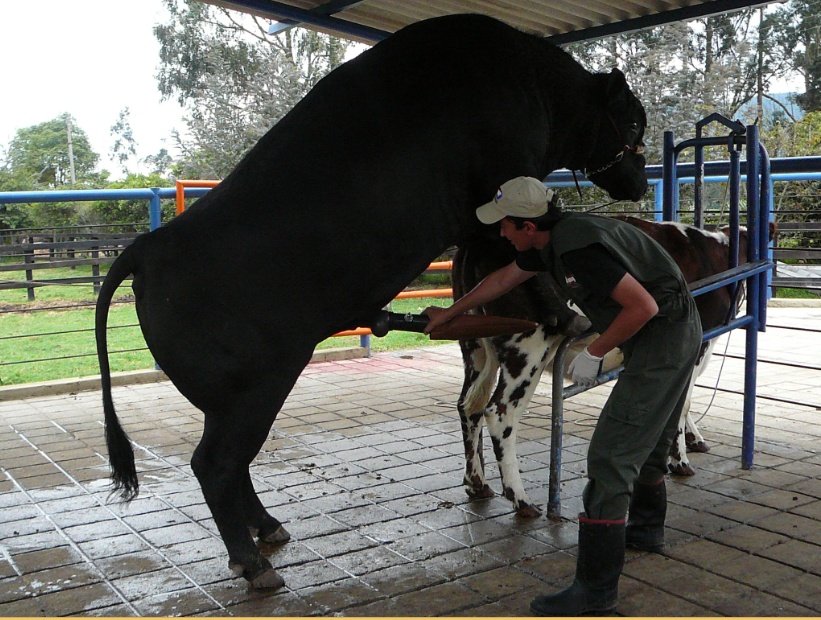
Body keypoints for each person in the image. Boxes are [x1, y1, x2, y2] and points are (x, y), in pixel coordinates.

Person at [424, 176, 702, 617]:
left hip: (663, 338)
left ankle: (594, 592)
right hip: (666, 333)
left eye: (506, 226)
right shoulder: (553, 240)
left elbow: (643, 307)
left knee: (610, 457)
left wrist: (595, 350)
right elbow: (500, 280)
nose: (501, 233)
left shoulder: (578, 249)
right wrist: (450, 313)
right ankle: (646, 531)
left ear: (529, 226)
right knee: (649, 440)